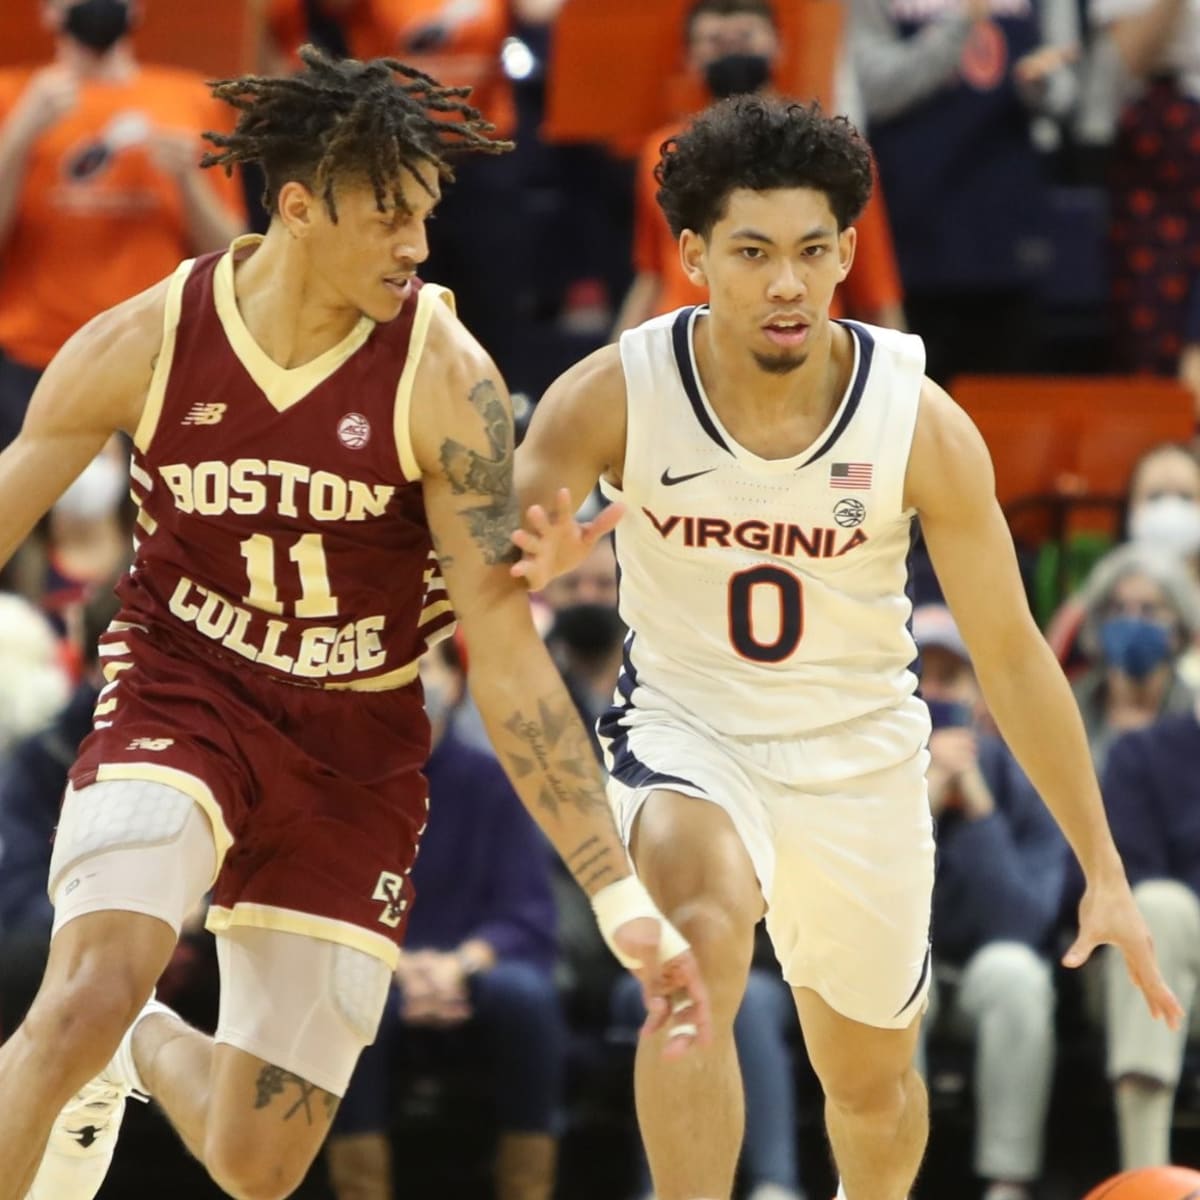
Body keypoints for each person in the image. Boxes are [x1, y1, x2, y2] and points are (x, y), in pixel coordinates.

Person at [0, 46, 708, 1200]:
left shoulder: (448, 378)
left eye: (426, 216)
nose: (418, 247)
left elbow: (509, 656)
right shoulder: (147, 339)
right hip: (182, 691)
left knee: (257, 1163)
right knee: (87, 983)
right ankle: (100, 1031)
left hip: (352, 745)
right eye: (390, 217)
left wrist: (616, 894)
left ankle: (132, 1049)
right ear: (297, 205)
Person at [510, 94, 1181, 1200]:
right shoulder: (610, 395)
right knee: (697, 946)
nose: (785, 283)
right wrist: (521, 563)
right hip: (689, 731)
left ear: (847, 255)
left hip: (860, 755)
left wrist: (1102, 869)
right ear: (693, 256)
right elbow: (493, 555)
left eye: (812, 252)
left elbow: (1013, 654)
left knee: (871, 1092)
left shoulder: (917, 418)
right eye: (754, 252)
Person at [325, 641, 565, 1200]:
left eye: (425, 666)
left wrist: (458, 966)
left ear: (456, 684)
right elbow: (328, 905)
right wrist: (400, 967)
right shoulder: (338, 787)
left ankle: (527, 1186)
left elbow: (527, 911)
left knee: (527, 998)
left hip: (473, 965)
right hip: (372, 966)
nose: (413, 683)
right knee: (354, 1005)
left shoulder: (493, 781)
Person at [0, 0, 247, 454]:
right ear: (47, 11)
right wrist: (17, 137)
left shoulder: (190, 98)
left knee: (151, 519)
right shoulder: (12, 95)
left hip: (158, 356)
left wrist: (188, 179)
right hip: (33, 354)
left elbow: (234, 251)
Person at [612, 0, 905, 339]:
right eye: (714, 42)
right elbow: (652, 271)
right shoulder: (662, 152)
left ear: (778, 44)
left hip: (796, 342)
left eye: (745, 37)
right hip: (686, 348)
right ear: (690, 56)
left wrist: (903, 378)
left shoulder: (831, 151)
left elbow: (875, 284)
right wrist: (614, 359)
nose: (731, 51)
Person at [913, 605, 1066, 1200]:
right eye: (919, 675)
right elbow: (858, 915)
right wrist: (921, 804)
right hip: (905, 975)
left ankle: (1009, 1181)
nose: (933, 692)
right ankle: (888, 1178)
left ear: (980, 696)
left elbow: (1024, 923)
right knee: (888, 978)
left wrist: (975, 808)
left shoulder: (1028, 778)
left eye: (950, 679)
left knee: (1017, 973)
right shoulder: (856, 778)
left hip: (982, 977)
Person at [1100, 698, 1200, 1170]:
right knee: (1158, 906)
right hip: (1158, 965)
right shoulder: (1139, 754)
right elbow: (1127, 882)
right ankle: (1145, 1177)